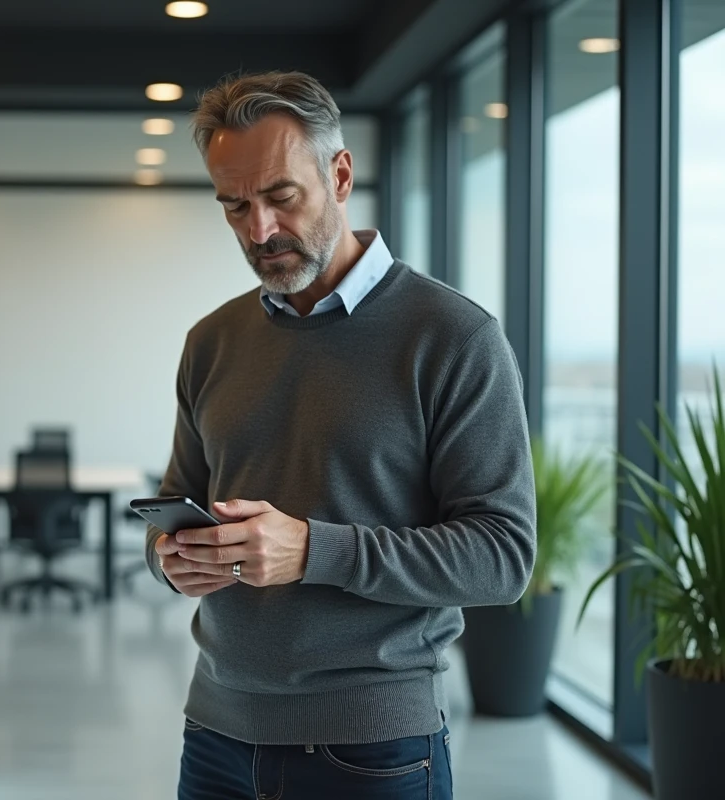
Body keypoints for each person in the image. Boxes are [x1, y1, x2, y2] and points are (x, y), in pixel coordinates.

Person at [144, 71, 537, 800]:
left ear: (341, 174)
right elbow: (178, 500)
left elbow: (503, 556)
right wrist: (171, 560)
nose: (258, 230)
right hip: (216, 736)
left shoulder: (453, 337)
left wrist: (311, 550)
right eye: (234, 207)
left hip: (374, 748)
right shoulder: (211, 342)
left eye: (280, 197)